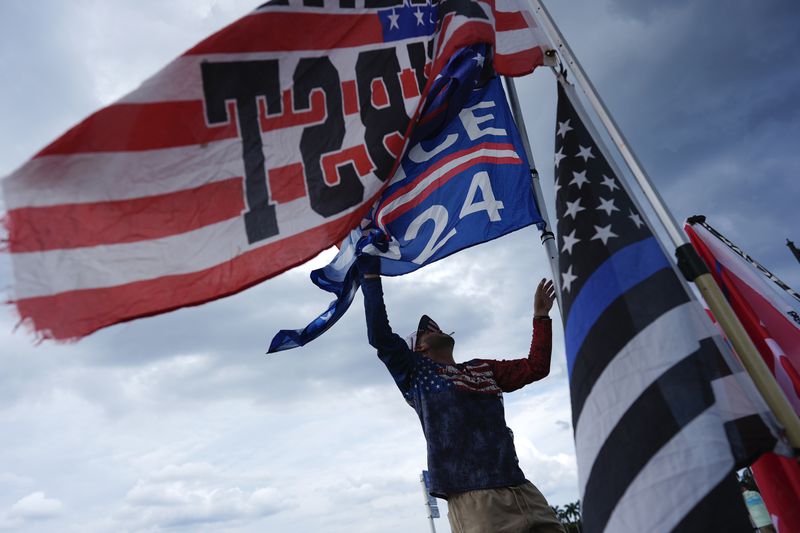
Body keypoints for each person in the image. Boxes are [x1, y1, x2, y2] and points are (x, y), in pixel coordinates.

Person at [358, 254, 565, 533]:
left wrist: (541, 316)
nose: (433, 326)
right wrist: (371, 277)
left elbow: (536, 367)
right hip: (474, 502)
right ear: (418, 349)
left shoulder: (483, 368)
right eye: (424, 331)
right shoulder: (416, 373)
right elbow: (380, 337)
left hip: (522, 488)